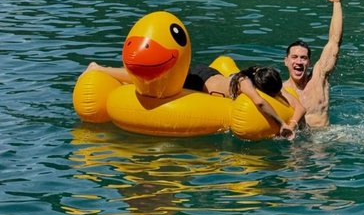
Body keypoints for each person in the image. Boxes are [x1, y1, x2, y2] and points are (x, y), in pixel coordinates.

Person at [84, 62, 305, 139]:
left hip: (210, 75)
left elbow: (299, 106)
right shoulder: (247, 84)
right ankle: (100, 69)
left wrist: (293, 123)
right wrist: (281, 122)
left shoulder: (259, 75)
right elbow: (258, 103)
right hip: (197, 79)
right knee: (151, 82)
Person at [282, 0, 342, 128]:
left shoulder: (319, 78)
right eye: (294, 57)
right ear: (286, 61)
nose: (299, 62)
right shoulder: (279, 90)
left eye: (303, 58)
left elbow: (334, 41)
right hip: (298, 142)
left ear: (309, 62)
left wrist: (336, 3)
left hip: (326, 138)